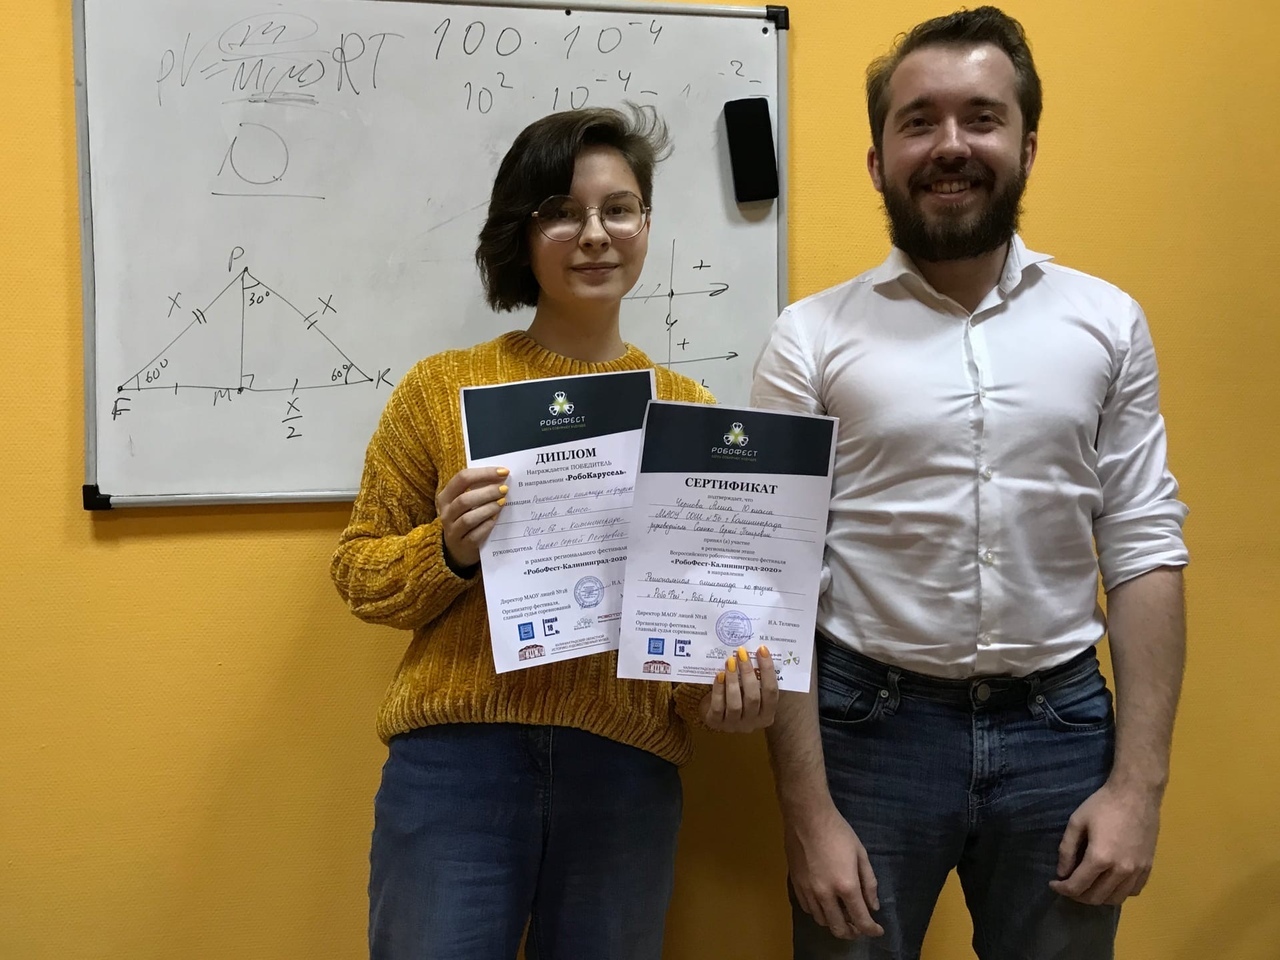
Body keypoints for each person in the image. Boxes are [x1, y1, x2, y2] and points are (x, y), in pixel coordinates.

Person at [750, 8, 1188, 958]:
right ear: (878, 161)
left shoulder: (1108, 323)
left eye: (981, 118)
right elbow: (774, 577)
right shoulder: (808, 337)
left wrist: (1138, 787)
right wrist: (807, 814)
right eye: (919, 121)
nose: (950, 144)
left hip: (1062, 733)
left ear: (1027, 147)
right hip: (865, 734)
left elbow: (1144, 545)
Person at [330, 106, 777, 960]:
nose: (595, 234)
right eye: (563, 212)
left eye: (620, 209)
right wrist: (447, 549)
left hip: (624, 773)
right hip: (457, 767)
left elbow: (689, 624)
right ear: (522, 232)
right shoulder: (441, 390)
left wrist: (725, 691)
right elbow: (359, 574)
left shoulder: (688, 412)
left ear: (646, 225)